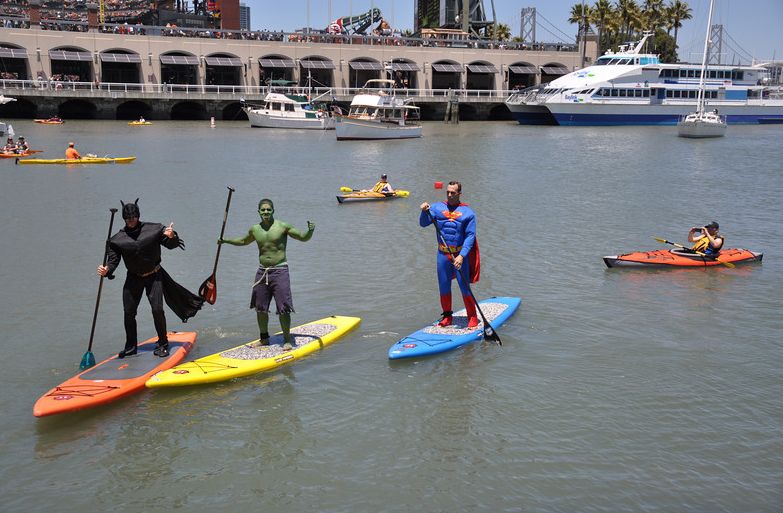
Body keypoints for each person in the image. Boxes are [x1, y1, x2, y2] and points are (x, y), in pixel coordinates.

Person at [97, 199, 204, 358]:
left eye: (133, 217)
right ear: (124, 219)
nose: (131, 220)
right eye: (128, 218)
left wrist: (172, 236)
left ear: (138, 216)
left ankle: (163, 343)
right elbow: (113, 261)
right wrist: (107, 270)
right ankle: (131, 346)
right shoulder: (117, 239)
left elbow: (171, 244)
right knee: (129, 312)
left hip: (154, 276)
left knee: (157, 309)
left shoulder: (154, 229)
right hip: (133, 278)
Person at [219, 199, 315, 350]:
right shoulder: (255, 229)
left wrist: (310, 231)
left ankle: (287, 339)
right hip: (262, 272)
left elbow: (302, 237)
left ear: (273, 210)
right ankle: (264, 338)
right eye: (263, 210)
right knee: (260, 307)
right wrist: (226, 241)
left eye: (268, 209)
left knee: (283, 307)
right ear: (258, 212)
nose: (265, 212)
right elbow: (243, 241)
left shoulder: (283, 226)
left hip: (280, 270)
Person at [419, 181, 480, 328]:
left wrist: (462, 256)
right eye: (448, 192)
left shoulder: (468, 213)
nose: (449, 195)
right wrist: (424, 211)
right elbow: (423, 223)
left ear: (459, 194)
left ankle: (472, 316)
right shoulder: (436, 208)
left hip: (459, 255)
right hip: (443, 255)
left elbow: (470, 236)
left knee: (464, 287)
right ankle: (447, 317)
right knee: (444, 286)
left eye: (453, 192)